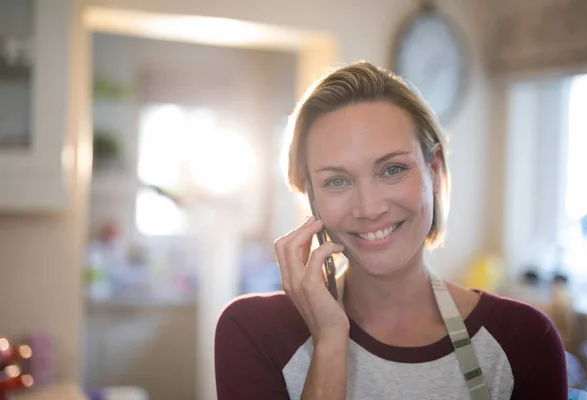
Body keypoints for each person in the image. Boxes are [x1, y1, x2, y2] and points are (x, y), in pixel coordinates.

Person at [214, 61, 568, 399]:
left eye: (393, 169)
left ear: (433, 170)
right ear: (310, 197)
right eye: (337, 180)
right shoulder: (254, 332)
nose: (369, 208)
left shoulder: (524, 340)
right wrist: (330, 342)